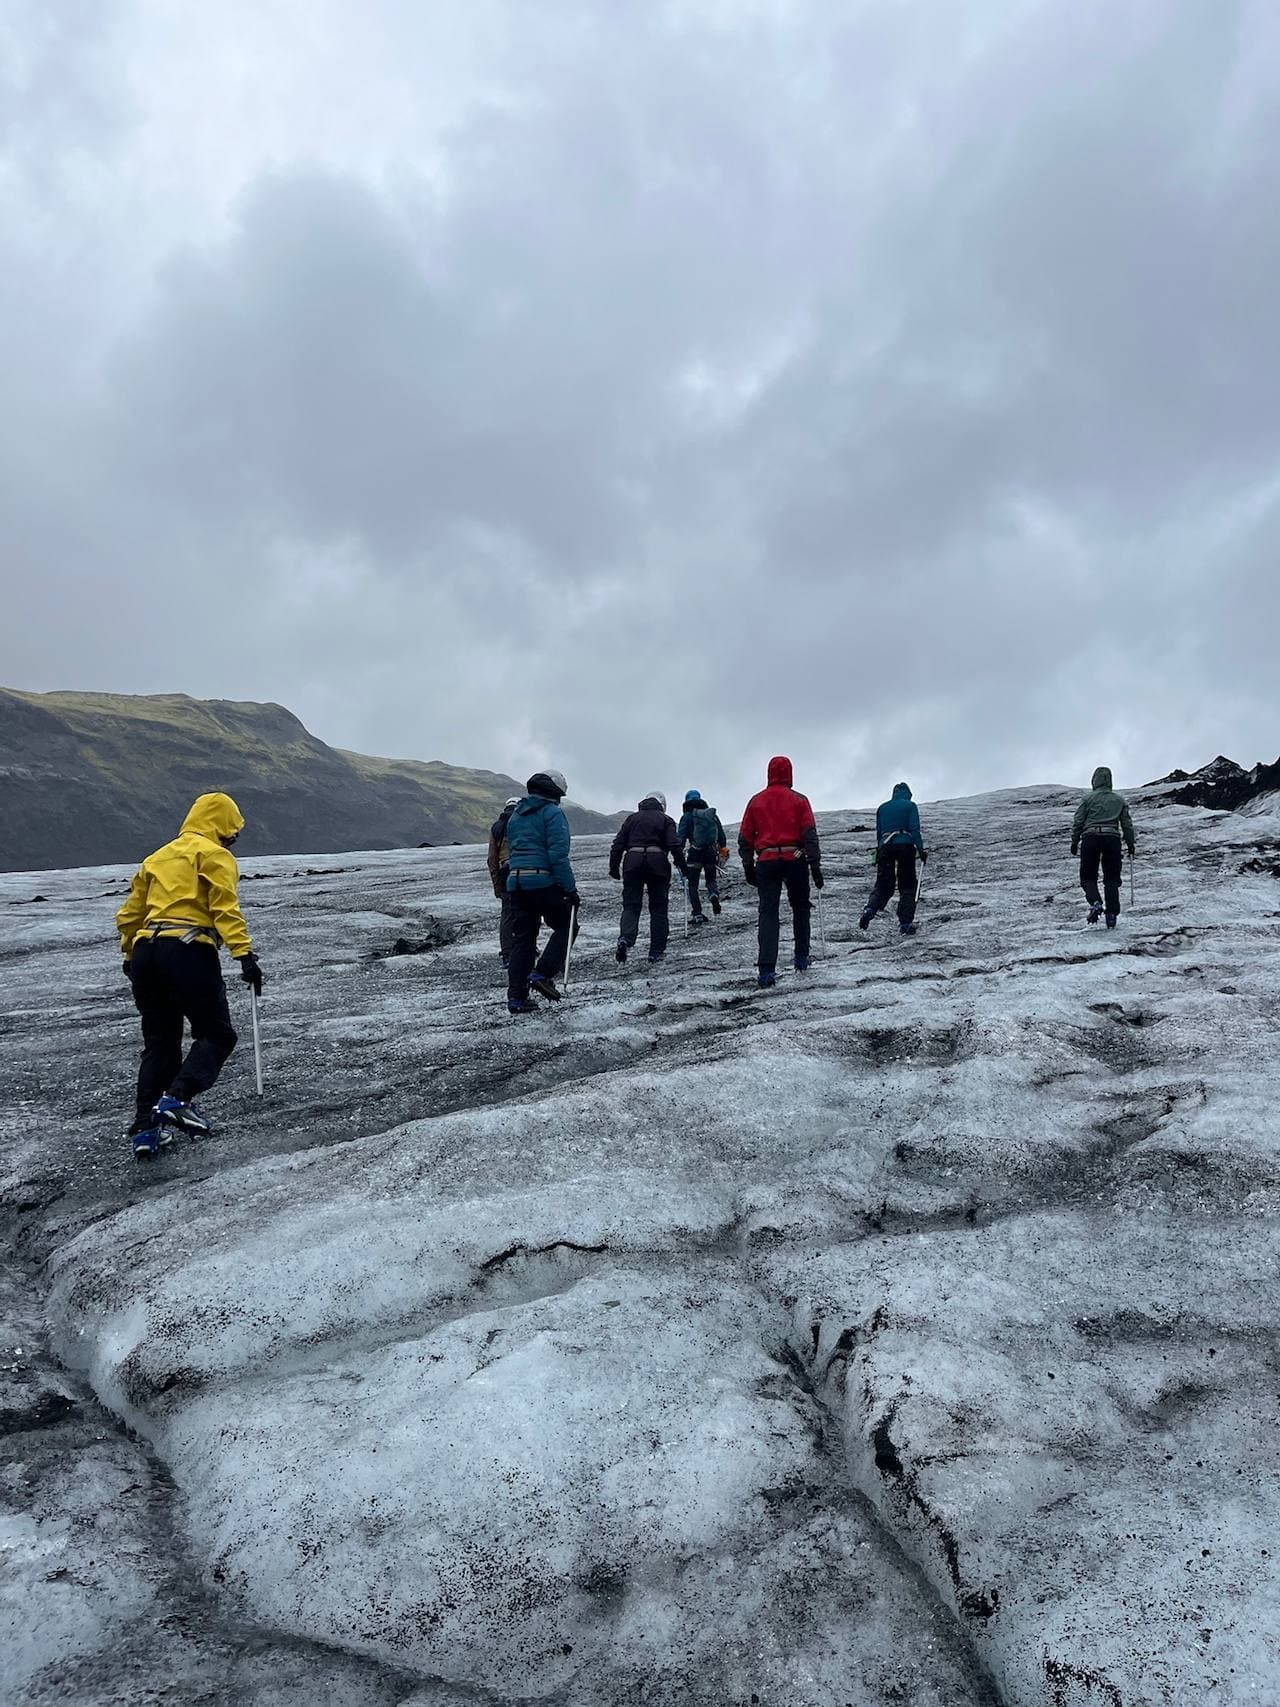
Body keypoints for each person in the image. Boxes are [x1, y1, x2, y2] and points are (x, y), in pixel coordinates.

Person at [116, 792, 265, 1159]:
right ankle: (177, 1099)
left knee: (160, 1044)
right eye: (232, 830)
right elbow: (224, 908)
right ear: (221, 825)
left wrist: (130, 953)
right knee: (217, 1034)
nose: (233, 838)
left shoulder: (157, 857)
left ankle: (145, 1131)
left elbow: (130, 914)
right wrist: (244, 956)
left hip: (146, 951)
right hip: (187, 948)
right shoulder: (214, 856)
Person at [737, 756, 823, 987]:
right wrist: (815, 866)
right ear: (790, 773)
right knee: (800, 907)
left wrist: (748, 867)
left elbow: (745, 838)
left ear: (769, 774)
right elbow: (809, 835)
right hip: (794, 858)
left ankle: (766, 970)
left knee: (768, 913)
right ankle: (801, 957)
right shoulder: (799, 800)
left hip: (766, 860)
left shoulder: (756, 801)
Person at [505, 770, 579, 1012]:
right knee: (567, 925)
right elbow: (558, 855)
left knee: (523, 941)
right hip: (542, 882)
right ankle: (542, 974)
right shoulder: (552, 813)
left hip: (516, 884)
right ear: (555, 792)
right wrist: (570, 889)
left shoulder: (516, 814)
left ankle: (516, 998)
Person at [610, 792, 689, 964]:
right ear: (662, 805)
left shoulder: (631, 819)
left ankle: (625, 939)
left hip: (632, 862)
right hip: (657, 863)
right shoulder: (665, 819)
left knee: (631, 905)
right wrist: (683, 866)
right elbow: (674, 845)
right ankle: (656, 951)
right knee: (658, 908)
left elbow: (618, 844)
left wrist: (614, 867)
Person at [1071, 766, 1136, 928]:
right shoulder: (1119, 800)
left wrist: (1074, 840)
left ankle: (1095, 902)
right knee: (1112, 879)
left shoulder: (1088, 799)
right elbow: (1127, 824)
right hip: (1112, 838)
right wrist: (1130, 843)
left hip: (1090, 837)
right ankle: (1112, 914)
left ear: (1095, 780)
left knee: (1087, 876)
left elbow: (1078, 821)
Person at [859, 782, 927, 936]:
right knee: (908, 885)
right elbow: (915, 829)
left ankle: (870, 909)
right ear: (908, 794)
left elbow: (879, 833)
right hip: (905, 846)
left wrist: (879, 850)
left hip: (885, 846)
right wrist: (921, 850)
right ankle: (905, 923)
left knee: (883, 885)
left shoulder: (882, 808)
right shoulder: (910, 806)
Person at [677, 790, 728, 925]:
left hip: (695, 852)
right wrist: (722, 847)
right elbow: (721, 836)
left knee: (692, 884)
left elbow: (680, 838)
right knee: (711, 878)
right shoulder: (711, 815)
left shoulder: (687, 817)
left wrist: (678, 853)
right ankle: (713, 894)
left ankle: (697, 914)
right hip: (711, 852)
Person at [487, 796, 522, 968]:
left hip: (506, 871)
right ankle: (527, 946)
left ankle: (507, 953)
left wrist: (497, 886)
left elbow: (492, 858)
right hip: (526, 869)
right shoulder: (525, 822)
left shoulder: (497, 827)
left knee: (507, 914)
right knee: (528, 910)